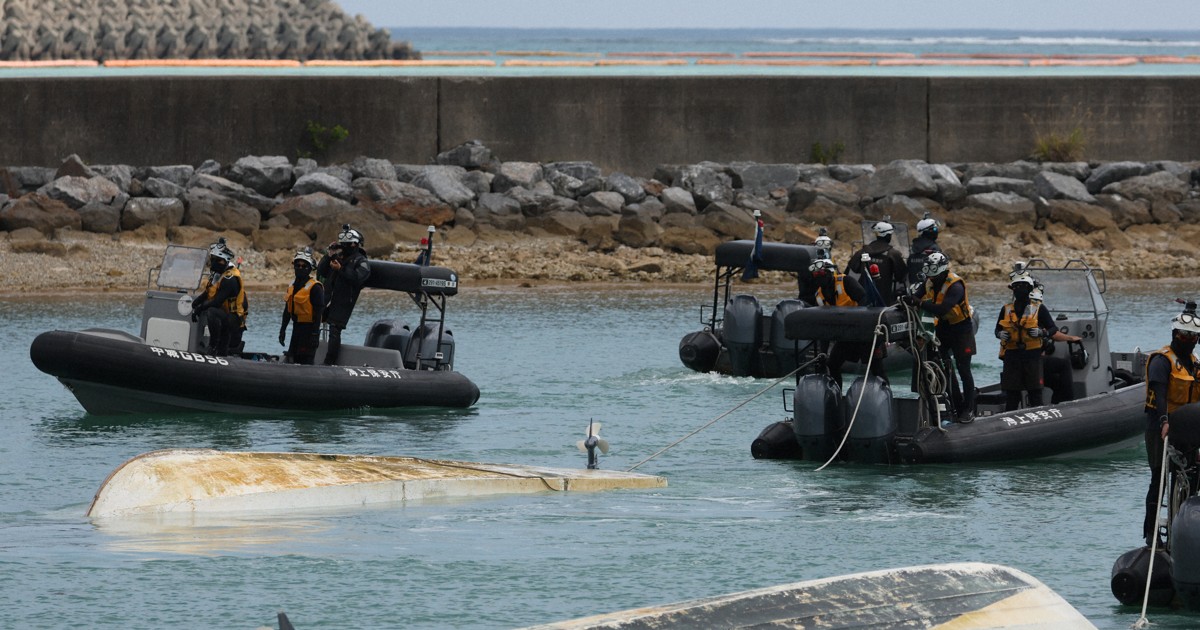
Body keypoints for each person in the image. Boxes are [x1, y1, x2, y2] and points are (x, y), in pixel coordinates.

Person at [1143, 302, 1200, 547]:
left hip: (1188, 427)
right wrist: (1165, 420)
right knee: (1160, 478)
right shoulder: (1162, 360)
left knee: (1189, 477)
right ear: (1175, 334)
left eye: (1193, 336)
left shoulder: (1195, 364)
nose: (1188, 339)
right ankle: (1152, 534)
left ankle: (1185, 529)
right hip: (1161, 423)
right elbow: (1160, 391)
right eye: (1184, 335)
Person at [994, 267, 1080, 411]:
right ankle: (1009, 422)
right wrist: (999, 334)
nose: (1018, 289)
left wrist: (1041, 333)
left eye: (1021, 287)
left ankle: (1048, 412)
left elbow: (1053, 329)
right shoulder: (1006, 309)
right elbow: (997, 329)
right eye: (1016, 287)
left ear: (1028, 289)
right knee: (1012, 396)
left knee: (1035, 394)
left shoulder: (1039, 309)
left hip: (1032, 357)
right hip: (1012, 357)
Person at [913, 252, 976, 423]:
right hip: (944, 328)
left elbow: (943, 309)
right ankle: (956, 406)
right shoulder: (929, 282)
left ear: (942, 271)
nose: (931, 279)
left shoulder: (955, 285)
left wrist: (919, 303)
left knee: (964, 370)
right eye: (930, 276)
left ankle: (969, 409)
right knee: (945, 369)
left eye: (935, 276)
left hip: (961, 329)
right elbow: (916, 297)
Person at [809, 258, 883, 387]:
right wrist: (823, 352)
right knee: (832, 364)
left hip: (864, 334)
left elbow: (864, 299)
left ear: (830, 272)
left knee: (877, 369)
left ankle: (885, 395)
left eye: (821, 274)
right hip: (845, 337)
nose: (819, 279)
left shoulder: (846, 281)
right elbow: (823, 327)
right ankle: (837, 394)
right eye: (816, 276)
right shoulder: (818, 296)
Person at [316, 223, 371, 366]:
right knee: (312, 322)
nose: (345, 246)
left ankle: (330, 362)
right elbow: (321, 271)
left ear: (355, 244)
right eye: (343, 243)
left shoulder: (361, 261)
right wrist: (329, 256)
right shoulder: (338, 257)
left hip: (344, 300)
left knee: (335, 329)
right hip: (328, 296)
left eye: (349, 243)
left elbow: (357, 279)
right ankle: (307, 353)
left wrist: (340, 269)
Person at [190, 237, 247, 357]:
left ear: (223, 261)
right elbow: (208, 293)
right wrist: (195, 304)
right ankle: (219, 350)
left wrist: (199, 309)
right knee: (210, 310)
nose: (212, 262)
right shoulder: (217, 275)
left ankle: (213, 345)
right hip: (225, 316)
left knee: (211, 311)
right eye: (212, 259)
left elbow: (216, 302)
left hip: (234, 319)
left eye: (215, 260)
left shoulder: (229, 279)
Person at [1030, 282, 1083, 404]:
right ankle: (1066, 404)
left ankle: (1055, 407)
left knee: (1057, 382)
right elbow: (1053, 333)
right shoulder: (1036, 310)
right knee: (1063, 365)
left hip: (1017, 360)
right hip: (1033, 361)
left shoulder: (1012, 309)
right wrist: (1070, 338)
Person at [279, 247, 325, 365]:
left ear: (310, 269)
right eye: (297, 265)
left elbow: (318, 312)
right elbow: (287, 310)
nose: (300, 268)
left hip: (309, 330)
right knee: (292, 355)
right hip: (296, 327)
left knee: (306, 359)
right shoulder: (292, 285)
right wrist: (283, 329)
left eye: (304, 266)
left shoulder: (315, 288)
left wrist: (315, 334)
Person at [846, 220, 907, 305]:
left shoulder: (863, 251)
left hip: (862, 298)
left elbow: (852, 268)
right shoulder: (893, 254)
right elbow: (901, 276)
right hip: (883, 299)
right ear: (887, 235)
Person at [907, 213, 943, 283]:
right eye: (935, 229)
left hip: (913, 286)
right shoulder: (934, 248)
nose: (937, 231)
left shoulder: (913, 247)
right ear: (929, 231)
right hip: (929, 288)